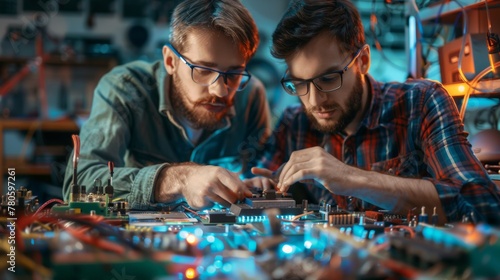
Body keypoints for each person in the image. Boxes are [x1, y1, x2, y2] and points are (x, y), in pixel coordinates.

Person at [249, 0, 500, 225]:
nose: (315, 101)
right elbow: (259, 179)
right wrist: (260, 188)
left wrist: (352, 178)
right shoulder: (295, 123)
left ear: (363, 61)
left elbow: (482, 206)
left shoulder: (422, 102)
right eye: (300, 84)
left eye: (328, 78)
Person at [63, 0, 271, 210]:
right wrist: (178, 179)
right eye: (203, 70)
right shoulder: (125, 89)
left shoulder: (251, 95)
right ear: (170, 61)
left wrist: (258, 187)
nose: (221, 91)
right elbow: (80, 182)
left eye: (233, 74)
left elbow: (262, 172)